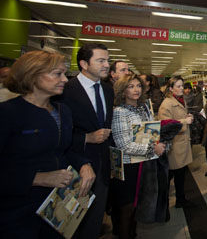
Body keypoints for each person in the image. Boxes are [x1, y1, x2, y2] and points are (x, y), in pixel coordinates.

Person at [0, 51, 95, 239]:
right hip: (18, 211)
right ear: (32, 75)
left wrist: (84, 164)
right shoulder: (8, 113)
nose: (65, 80)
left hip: (57, 208)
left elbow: (63, 150)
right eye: (57, 74)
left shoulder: (63, 111)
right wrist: (38, 178)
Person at [61, 43, 114, 239]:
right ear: (84, 63)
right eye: (101, 60)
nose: (107, 65)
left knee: (94, 220)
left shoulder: (108, 90)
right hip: (75, 167)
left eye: (107, 60)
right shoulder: (66, 90)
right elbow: (59, 135)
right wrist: (85, 138)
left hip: (102, 167)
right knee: (71, 224)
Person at [111, 74, 166, 239]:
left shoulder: (144, 108)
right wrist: (153, 149)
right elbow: (124, 145)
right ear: (123, 90)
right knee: (126, 208)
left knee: (137, 206)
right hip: (128, 166)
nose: (136, 89)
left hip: (144, 163)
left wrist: (159, 145)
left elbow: (151, 132)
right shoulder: (119, 112)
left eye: (138, 86)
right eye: (131, 86)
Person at [158, 76, 194, 208]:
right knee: (171, 176)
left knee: (180, 175)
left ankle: (180, 199)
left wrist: (187, 117)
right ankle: (163, 205)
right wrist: (185, 121)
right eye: (178, 86)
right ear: (171, 88)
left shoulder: (180, 100)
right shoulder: (167, 103)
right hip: (174, 146)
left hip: (181, 144)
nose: (181, 89)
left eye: (182, 86)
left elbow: (176, 118)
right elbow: (165, 126)